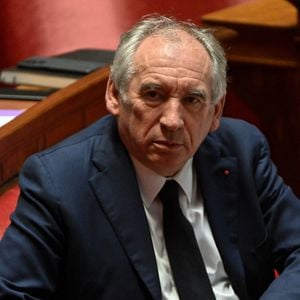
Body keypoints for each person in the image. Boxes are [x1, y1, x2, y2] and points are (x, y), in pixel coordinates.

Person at [0, 14, 299, 300]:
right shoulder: (59, 182)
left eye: (192, 100)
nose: (172, 120)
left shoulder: (242, 150)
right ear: (115, 95)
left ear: (215, 112)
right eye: (153, 95)